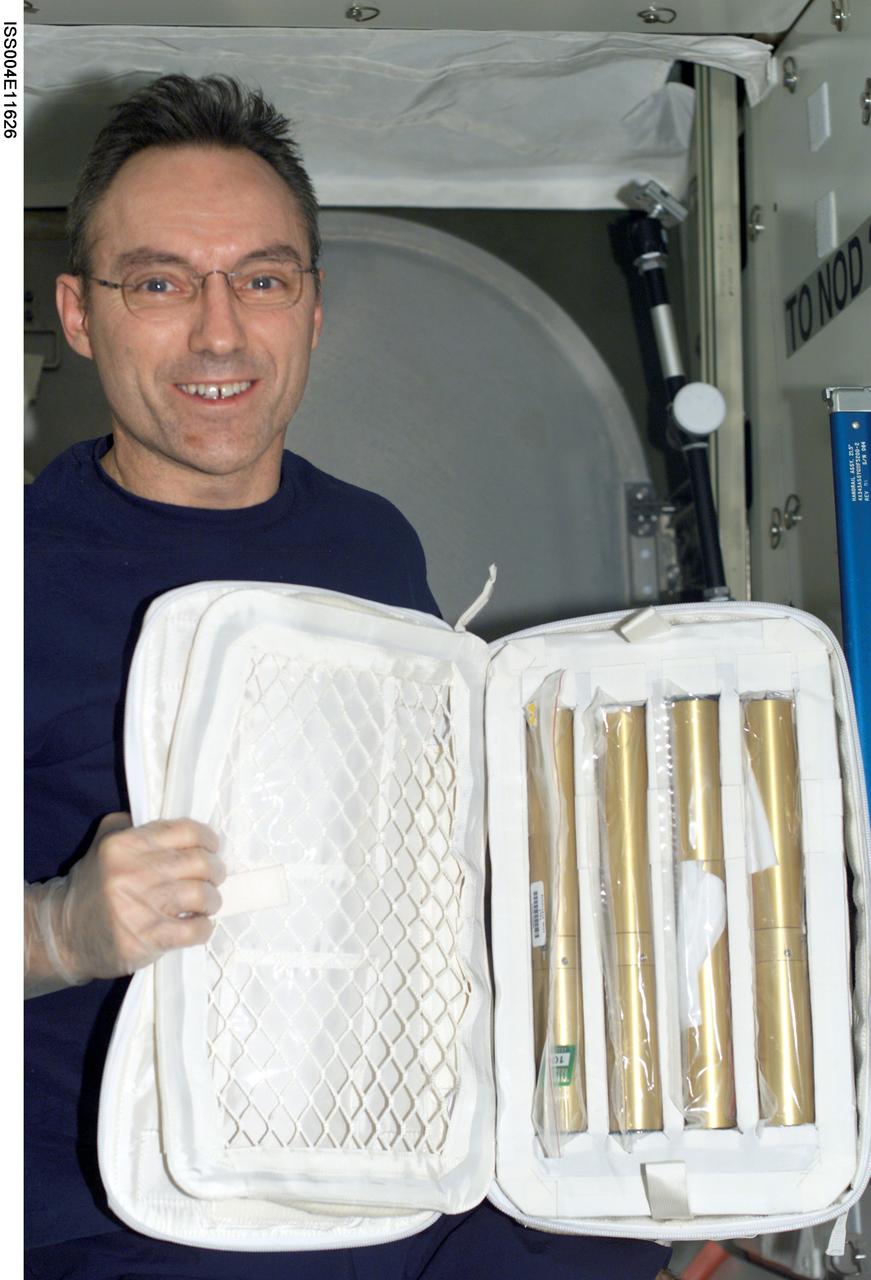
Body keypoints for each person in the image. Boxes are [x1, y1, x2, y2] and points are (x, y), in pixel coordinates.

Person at [24, 74, 671, 1280]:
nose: (219, 334)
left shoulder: (371, 542)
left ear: (313, 308)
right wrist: (59, 928)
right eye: (160, 283)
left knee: (632, 1215)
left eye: (262, 280)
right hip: (138, 1221)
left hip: (393, 1163)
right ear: (78, 313)